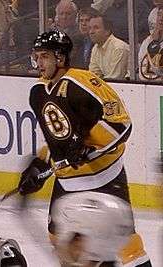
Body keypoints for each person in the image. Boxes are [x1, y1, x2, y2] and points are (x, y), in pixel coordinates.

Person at [18, 29, 152, 267]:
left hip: (104, 176)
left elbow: (120, 124)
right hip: (68, 180)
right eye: (36, 56)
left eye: (44, 56)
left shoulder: (83, 82)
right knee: (61, 240)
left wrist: (87, 146)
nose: (38, 63)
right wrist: (39, 165)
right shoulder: (37, 92)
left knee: (124, 243)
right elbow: (57, 138)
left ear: (60, 58)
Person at [89, 12, 129, 80]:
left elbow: (115, 79)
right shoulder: (95, 48)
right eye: (90, 28)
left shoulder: (119, 48)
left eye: (96, 28)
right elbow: (93, 76)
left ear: (107, 31)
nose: (91, 32)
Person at [139, 3, 163, 80]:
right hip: (144, 88)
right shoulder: (147, 41)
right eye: (159, 15)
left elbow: (159, 71)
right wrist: (154, 42)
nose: (161, 19)